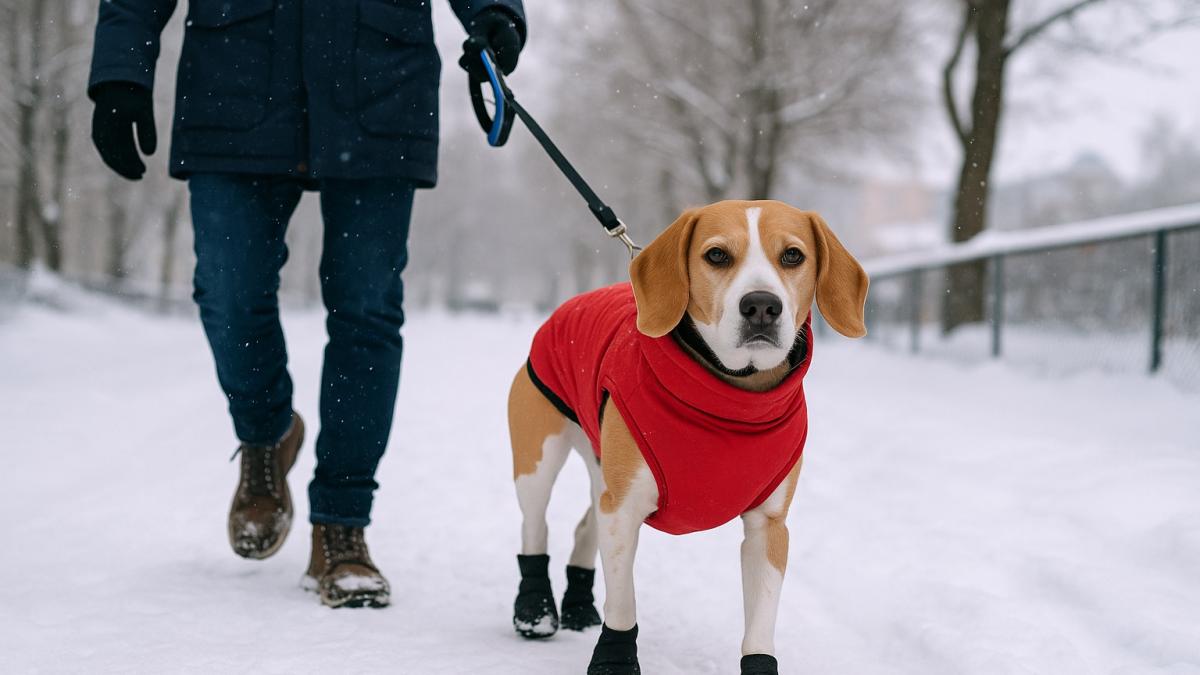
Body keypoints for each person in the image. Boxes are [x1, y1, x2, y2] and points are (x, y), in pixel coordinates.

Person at [88, 0, 525, 609]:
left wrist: (495, 14)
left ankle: (342, 525)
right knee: (227, 290)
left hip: (379, 80)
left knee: (367, 310)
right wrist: (120, 71)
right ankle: (266, 432)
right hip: (235, 76)